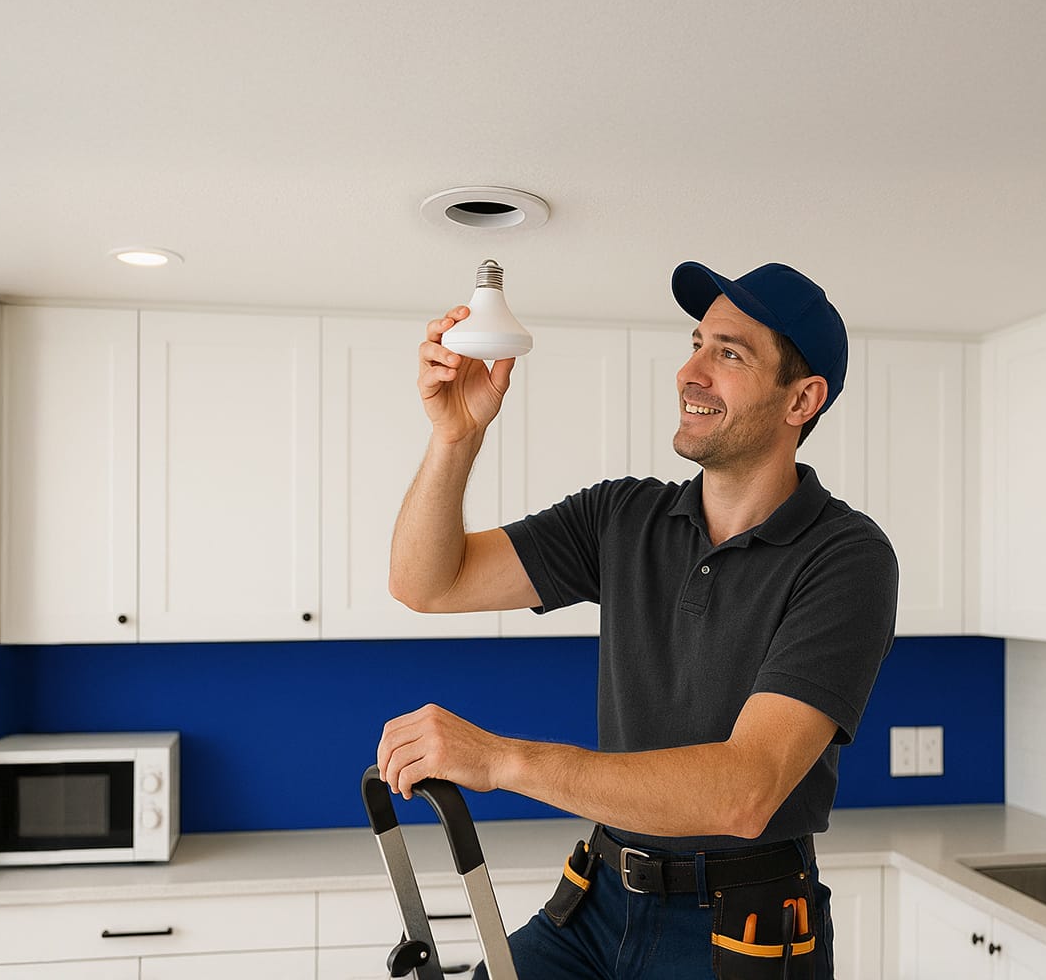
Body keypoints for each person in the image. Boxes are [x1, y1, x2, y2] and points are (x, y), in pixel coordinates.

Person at [378, 261, 899, 979]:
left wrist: (500, 759)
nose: (691, 371)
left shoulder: (846, 556)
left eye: (730, 353)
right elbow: (426, 582)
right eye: (696, 342)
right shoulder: (624, 516)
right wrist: (455, 437)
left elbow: (744, 792)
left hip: (741, 930)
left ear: (801, 400)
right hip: (596, 904)